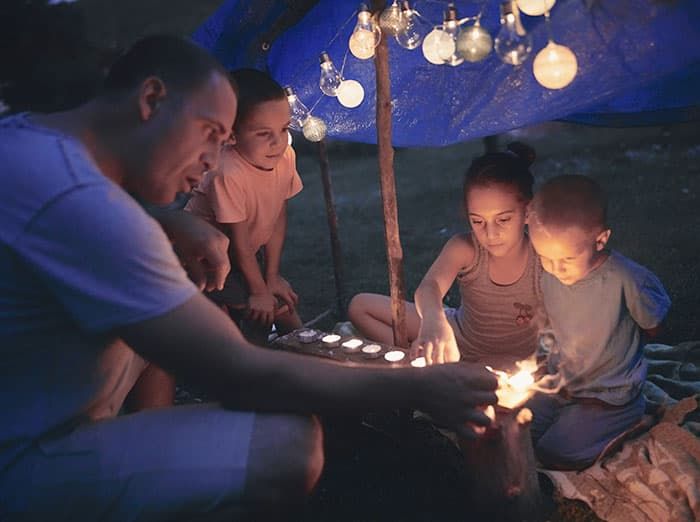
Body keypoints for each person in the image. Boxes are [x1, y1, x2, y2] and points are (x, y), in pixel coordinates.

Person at [0, 35, 497, 521]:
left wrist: (171, 220)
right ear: (152, 99)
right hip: (27, 458)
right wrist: (420, 387)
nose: (213, 162)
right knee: (287, 442)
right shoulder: (85, 208)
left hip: (31, 401)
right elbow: (240, 373)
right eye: (211, 134)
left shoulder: (28, 144)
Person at [349, 143, 544, 370]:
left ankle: (435, 368)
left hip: (519, 359)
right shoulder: (465, 248)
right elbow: (429, 287)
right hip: (457, 339)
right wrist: (434, 322)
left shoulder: (544, 255)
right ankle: (418, 359)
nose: (490, 234)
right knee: (360, 306)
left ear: (528, 212)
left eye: (503, 220)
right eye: (478, 221)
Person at [527, 174, 671, 470]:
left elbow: (654, 325)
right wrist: (543, 356)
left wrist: (618, 346)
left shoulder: (627, 280)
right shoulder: (550, 278)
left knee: (556, 454)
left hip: (609, 395)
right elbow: (550, 324)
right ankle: (573, 421)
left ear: (601, 239)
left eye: (566, 259)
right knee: (518, 429)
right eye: (544, 257)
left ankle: (632, 421)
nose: (555, 269)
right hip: (562, 386)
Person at [185, 68, 302, 345]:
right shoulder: (227, 172)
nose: (278, 142)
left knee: (281, 305)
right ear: (232, 136)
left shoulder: (285, 156)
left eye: (284, 129)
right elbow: (236, 242)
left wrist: (271, 277)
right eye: (264, 133)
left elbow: (277, 217)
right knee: (263, 310)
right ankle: (245, 359)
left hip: (247, 252)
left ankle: (320, 358)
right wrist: (259, 290)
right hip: (208, 261)